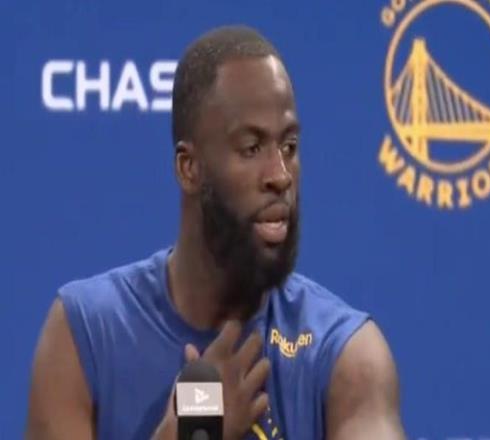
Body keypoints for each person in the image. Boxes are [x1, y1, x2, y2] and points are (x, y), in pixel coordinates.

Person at [26, 26, 406, 439]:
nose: (280, 176)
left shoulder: (349, 357)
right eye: (251, 148)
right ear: (189, 168)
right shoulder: (84, 332)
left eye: (289, 147)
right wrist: (191, 431)